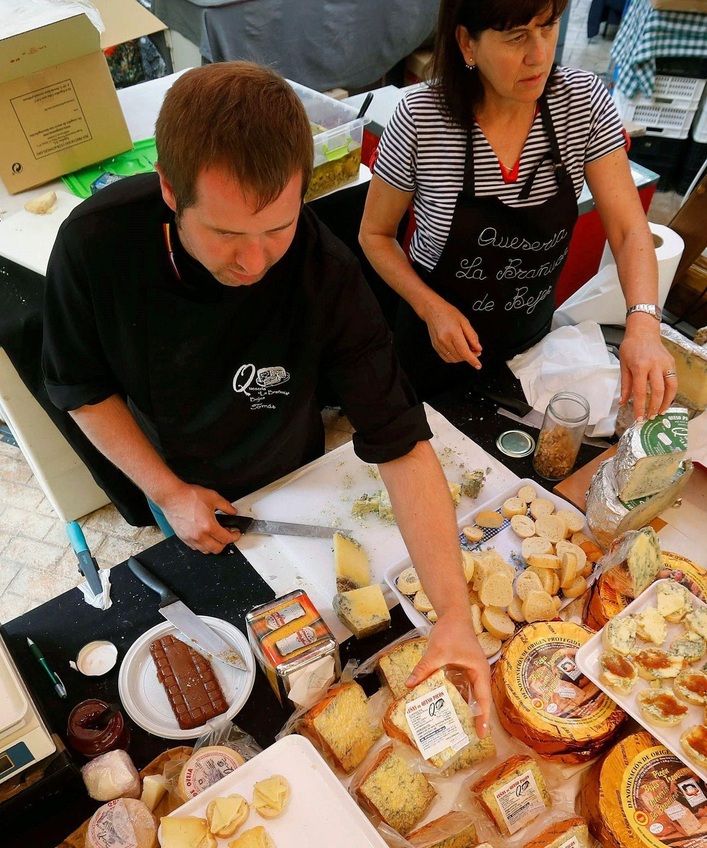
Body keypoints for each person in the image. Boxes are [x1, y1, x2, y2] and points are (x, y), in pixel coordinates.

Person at [40, 62, 492, 710]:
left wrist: (452, 614)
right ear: (171, 190)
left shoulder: (324, 270)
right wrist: (167, 491)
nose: (253, 264)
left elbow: (401, 441)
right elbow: (81, 388)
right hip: (171, 454)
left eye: (277, 228)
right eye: (225, 233)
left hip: (285, 455)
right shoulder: (95, 244)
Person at [359, 0, 676, 416]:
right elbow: (375, 235)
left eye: (548, 27)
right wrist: (430, 307)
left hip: (531, 346)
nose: (539, 55)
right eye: (515, 37)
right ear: (467, 43)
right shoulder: (422, 118)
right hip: (433, 343)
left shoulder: (583, 103)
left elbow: (628, 229)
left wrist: (643, 323)